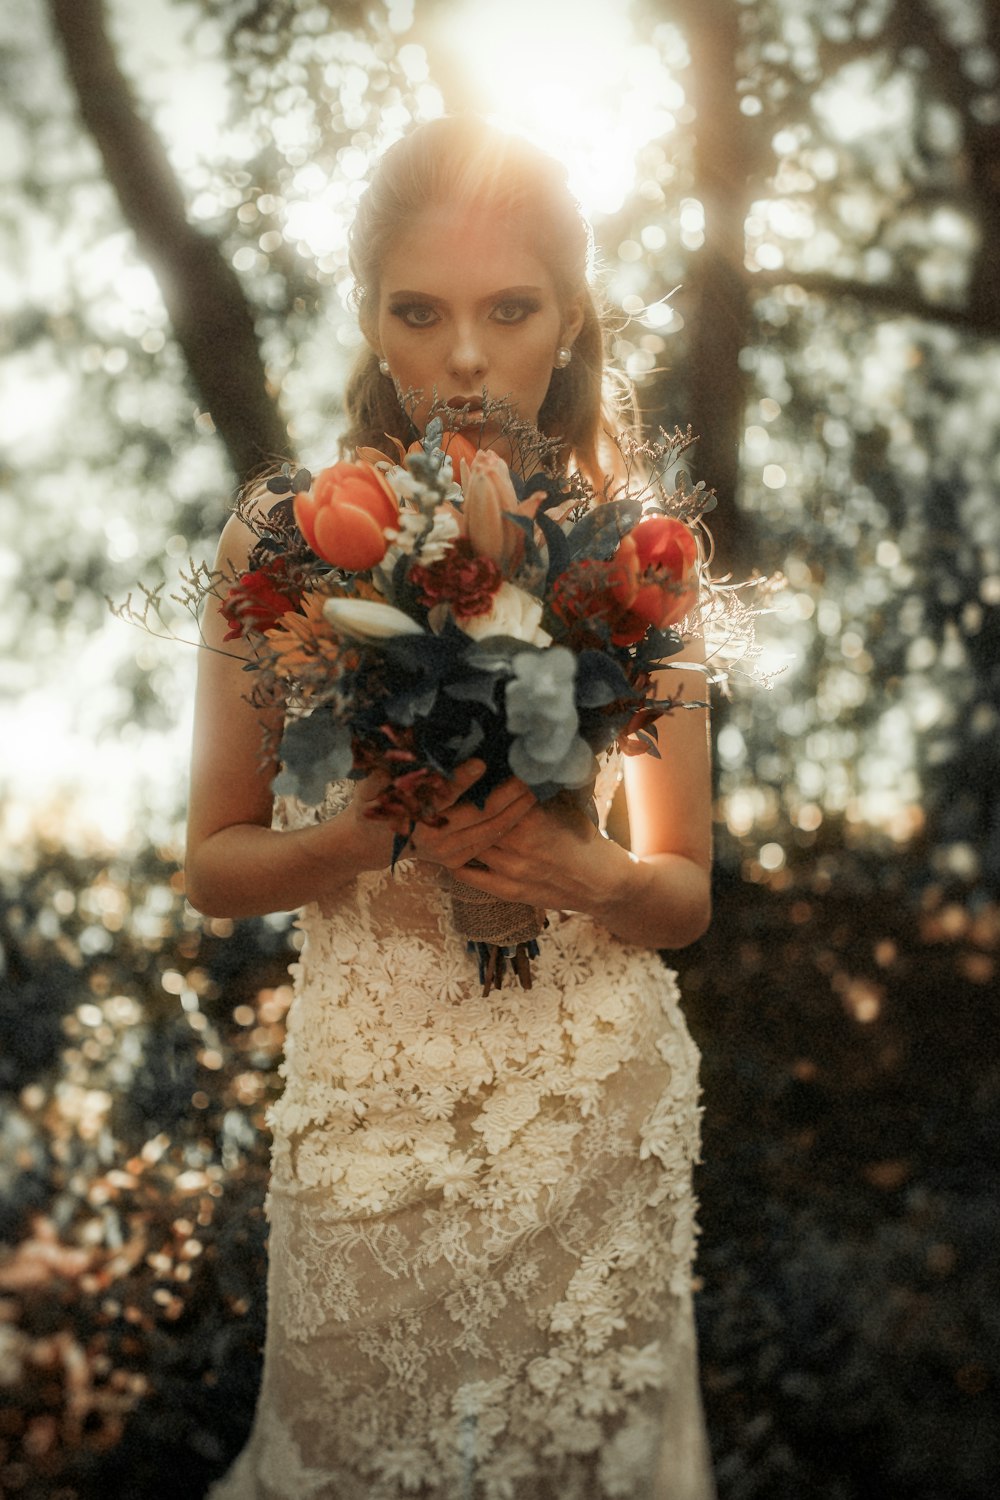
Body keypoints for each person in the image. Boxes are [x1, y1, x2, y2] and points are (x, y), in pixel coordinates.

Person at [189, 114, 715, 1500]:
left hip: (595, 1095)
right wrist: (357, 844)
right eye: (419, 312)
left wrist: (583, 870)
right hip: (370, 1112)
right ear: (369, 318)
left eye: (509, 308)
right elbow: (214, 864)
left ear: (570, 313)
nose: (466, 356)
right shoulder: (287, 540)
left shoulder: (642, 550)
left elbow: (683, 895)